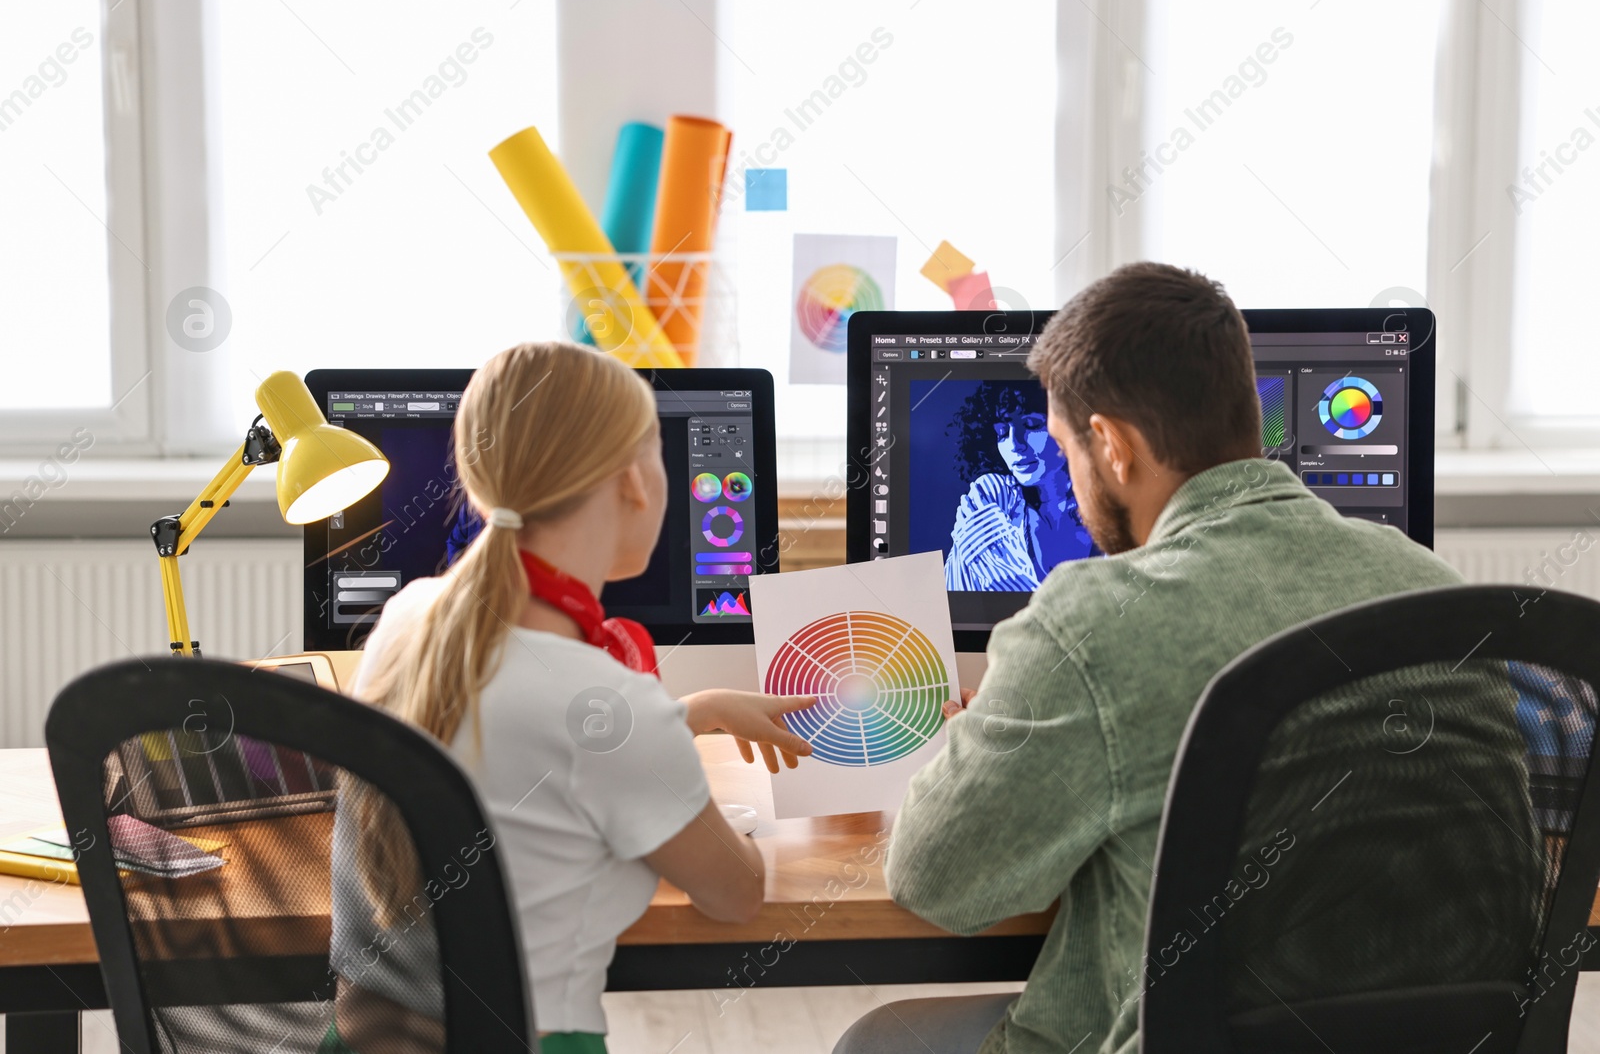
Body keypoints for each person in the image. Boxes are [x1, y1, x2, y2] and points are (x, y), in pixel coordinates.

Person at [836, 263, 1522, 1054]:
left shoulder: (1087, 622)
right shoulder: (1434, 587)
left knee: (879, 1041)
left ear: (1114, 448)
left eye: (1066, 452)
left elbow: (934, 880)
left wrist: (971, 743)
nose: (1065, 477)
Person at [323, 341, 814, 1054]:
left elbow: (521, 732)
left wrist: (689, 715)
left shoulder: (407, 620)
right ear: (634, 482)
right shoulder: (613, 708)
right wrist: (677, 790)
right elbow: (736, 894)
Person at [943, 382, 1096, 591]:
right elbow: (999, 589)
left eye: (1032, 425)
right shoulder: (992, 494)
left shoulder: (1109, 509)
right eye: (1002, 432)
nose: (1015, 445)